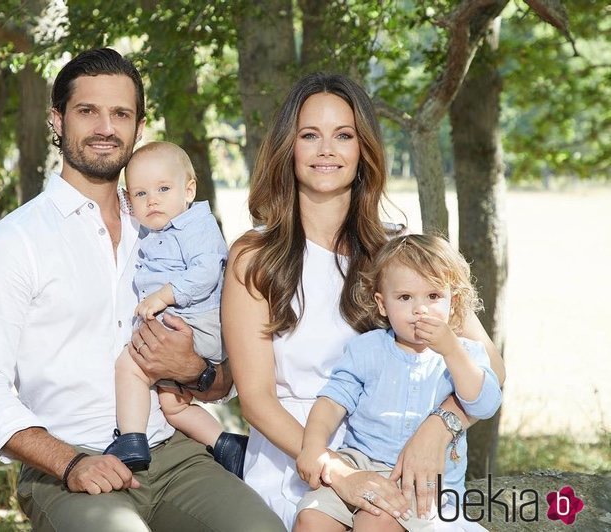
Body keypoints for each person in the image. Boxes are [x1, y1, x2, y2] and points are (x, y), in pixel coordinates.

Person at [0, 47, 285, 532]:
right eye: (87, 111)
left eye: (121, 113)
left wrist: (194, 370)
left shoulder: (167, 230)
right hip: (70, 464)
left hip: (175, 454)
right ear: (57, 119)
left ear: (138, 125)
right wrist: (69, 463)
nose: (105, 127)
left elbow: (222, 378)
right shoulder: (14, 243)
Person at [221, 72, 506, 530]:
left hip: (397, 462)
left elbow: (490, 363)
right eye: (310, 135)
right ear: (287, 147)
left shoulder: (400, 252)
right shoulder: (255, 256)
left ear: (363, 149)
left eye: (344, 135)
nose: (326, 149)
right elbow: (255, 399)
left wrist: (440, 428)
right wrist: (339, 472)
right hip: (297, 462)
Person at [294, 234, 502, 532]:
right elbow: (332, 401)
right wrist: (314, 447)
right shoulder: (368, 349)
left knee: (374, 524)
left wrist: (451, 350)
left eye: (433, 297)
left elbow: (484, 402)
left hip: (419, 482)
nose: (421, 310)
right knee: (311, 519)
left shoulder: (464, 353)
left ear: (452, 302)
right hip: (358, 464)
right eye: (405, 298)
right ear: (382, 304)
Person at [106, 141, 247, 476]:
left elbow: (206, 272)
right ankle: (228, 446)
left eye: (163, 189)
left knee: (130, 365)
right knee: (173, 404)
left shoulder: (196, 224)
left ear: (189, 190)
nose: (151, 200)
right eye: (140, 194)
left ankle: (131, 440)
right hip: (187, 321)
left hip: (196, 321)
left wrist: (163, 296)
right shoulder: (157, 228)